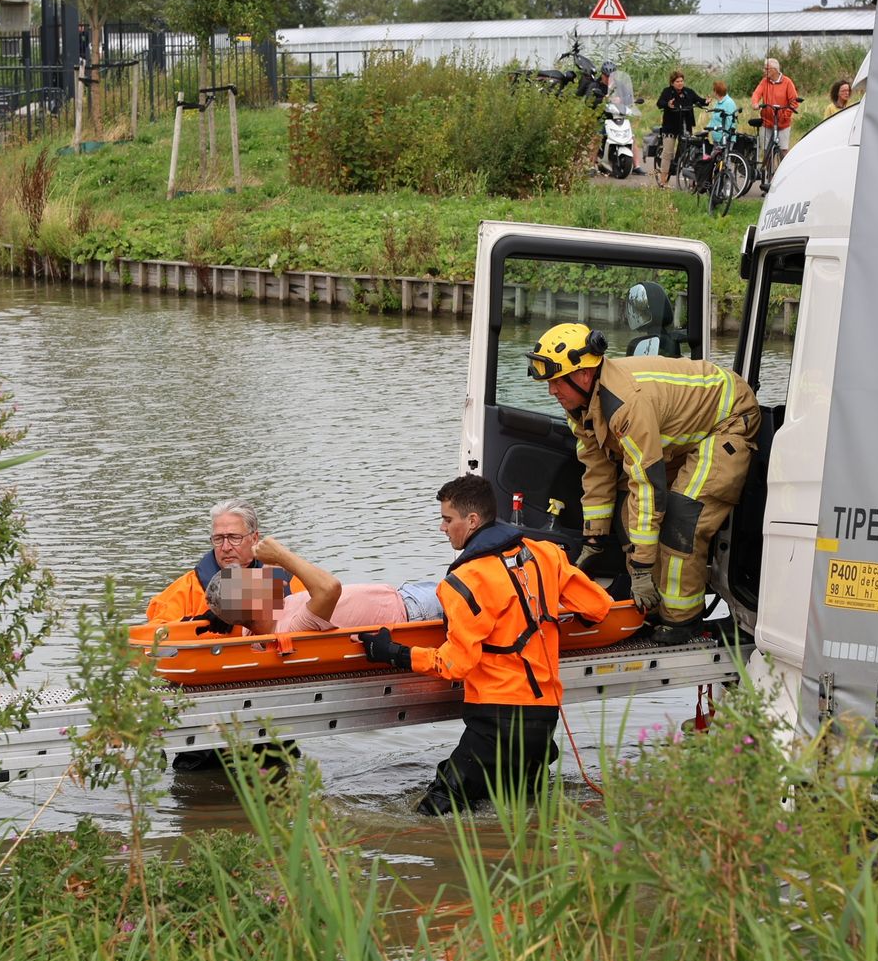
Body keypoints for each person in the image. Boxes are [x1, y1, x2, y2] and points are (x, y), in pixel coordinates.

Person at [358, 474, 613, 817]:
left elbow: (455, 665)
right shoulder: (546, 554)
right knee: (522, 811)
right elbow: (598, 607)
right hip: (544, 717)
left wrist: (392, 653)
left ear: (473, 520)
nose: (442, 528)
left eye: (448, 519)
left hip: (496, 719)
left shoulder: (464, 582)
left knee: (432, 814)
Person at [525, 322, 759, 644]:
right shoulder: (580, 407)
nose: (552, 391)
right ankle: (650, 607)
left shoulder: (625, 405)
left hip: (728, 421)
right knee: (627, 514)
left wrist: (642, 567)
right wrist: (593, 540)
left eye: (555, 382)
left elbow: (648, 486)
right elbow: (596, 471)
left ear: (583, 374)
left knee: (682, 519)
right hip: (687, 433)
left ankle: (682, 619)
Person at [204, 538, 444, 635]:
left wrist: (261, 551)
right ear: (252, 603)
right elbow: (329, 587)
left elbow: (276, 573)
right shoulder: (292, 629)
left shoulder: (256, 625)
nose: (258, 576)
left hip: (405, 594)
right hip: (415, 611)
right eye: (251, 581)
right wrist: (280, 553)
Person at [144, 498, 303, 628]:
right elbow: (155, 630)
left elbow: (321, 604)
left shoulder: (286, 578)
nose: (226, 547)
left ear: (254, 538)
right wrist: (200, 622)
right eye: (218, 539)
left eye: (234, 538)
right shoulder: (192, 586)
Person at [749, 58, 803, 181]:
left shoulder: (787, 82)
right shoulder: (764, 82)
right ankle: (769, 177)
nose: (764, 71)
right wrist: (755, 103)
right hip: (767, 122)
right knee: (767, 152)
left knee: (783, 150)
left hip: (783, 123)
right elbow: (756, 93)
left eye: (767, 69)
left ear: (774, 70)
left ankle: (786, 177)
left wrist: (786, 114)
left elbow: (794, 101)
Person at [653, 71, 705, 188]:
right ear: (672, 83)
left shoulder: (688, 92)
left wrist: (705, 101)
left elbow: (699, 100)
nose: (680, 83)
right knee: (668, 153)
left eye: (682, 81)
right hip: (670, 127)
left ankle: (690, 181)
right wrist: (667, 104)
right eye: (677, 81)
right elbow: (659, 103)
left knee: (688, 153)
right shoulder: (667, 92)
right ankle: (663, 181)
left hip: (685, 126)